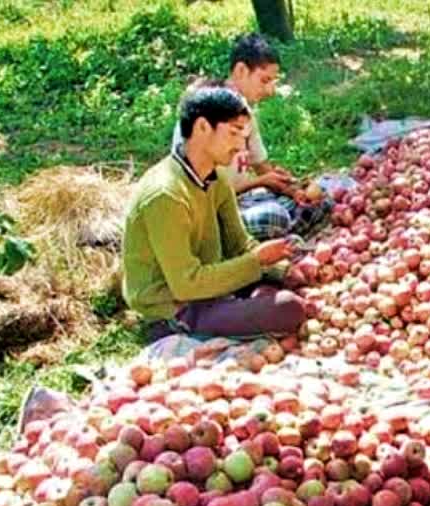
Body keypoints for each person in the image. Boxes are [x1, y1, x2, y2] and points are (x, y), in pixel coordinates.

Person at [123, 86, 307, 339]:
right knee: (288, 308)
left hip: (209, 284)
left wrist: (281, 268)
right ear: (202, 128)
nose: (241, 145)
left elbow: (240, 244)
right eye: (234, 133)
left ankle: (242, 305)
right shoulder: (166, 195)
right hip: (176, 305)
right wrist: (258, 262)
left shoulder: (215, 177)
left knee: (283, 287)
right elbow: (186, 284)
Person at [172, 33, 330, 241]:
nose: (270, 90)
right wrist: (261, 182)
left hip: (242, 201)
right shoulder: (208, 114)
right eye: (264, 80)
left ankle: (270, 242)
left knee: (321, 203)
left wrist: (290, 187)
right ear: (240, 70)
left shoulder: (245, 113)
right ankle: (255, 244)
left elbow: (261, 165)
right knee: (274, 217)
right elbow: (205, 191)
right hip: (209, 212)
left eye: (273, 82)